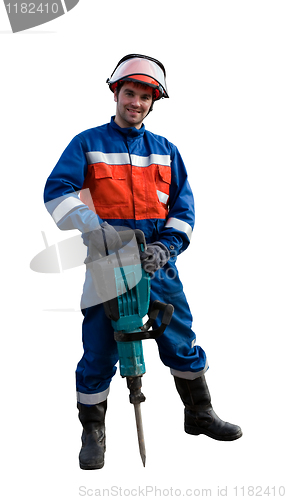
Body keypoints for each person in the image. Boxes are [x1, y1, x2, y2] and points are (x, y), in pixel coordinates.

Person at [44, 54, 242, 470]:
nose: (135, 102)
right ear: (116, 93)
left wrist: (166, 247)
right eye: (129, 93)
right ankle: (93, 432)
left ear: (154, 102)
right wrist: (97, 231)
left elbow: (183, 211)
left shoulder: (167, 151)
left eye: (144, 96)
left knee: (179, 335)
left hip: (157, 262)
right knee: (99, 348)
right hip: (107, 261)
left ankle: (199, 413)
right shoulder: (87, 143)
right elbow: (57, 193)